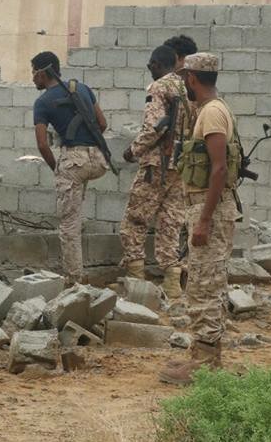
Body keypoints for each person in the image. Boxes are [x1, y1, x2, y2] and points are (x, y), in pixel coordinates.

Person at [159, 52, 244, 386]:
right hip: (206, 206)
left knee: (204, 285)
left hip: (210, 208)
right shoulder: (213, 110)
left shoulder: (211, 114)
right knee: (201, 282)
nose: (184, 85)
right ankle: (202, 356)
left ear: (193, 78)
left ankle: (207, 365)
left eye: (185, 79)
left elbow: (219, 168)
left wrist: (204, 220)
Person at [119, 45, 192, 298]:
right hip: (181, 167)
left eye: (150, 66)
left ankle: (136, 286)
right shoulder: (188, 87)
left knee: (134, 222)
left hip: (156, 165)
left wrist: (133, 150)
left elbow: (154, 128)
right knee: (170, 225)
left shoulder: (159, 87)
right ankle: (172, 287)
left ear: (155, 65)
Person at [31, 51, 109, 283]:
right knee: (75, 211)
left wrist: (58, 168)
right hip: (98, 159)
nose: (32, 78)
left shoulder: (42, 102)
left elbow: (42, 145)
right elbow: (102, 124)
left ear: (44, 73)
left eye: (34, 72)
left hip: (73, 162)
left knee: (69, 225)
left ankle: (74, 280)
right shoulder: (81, 87)